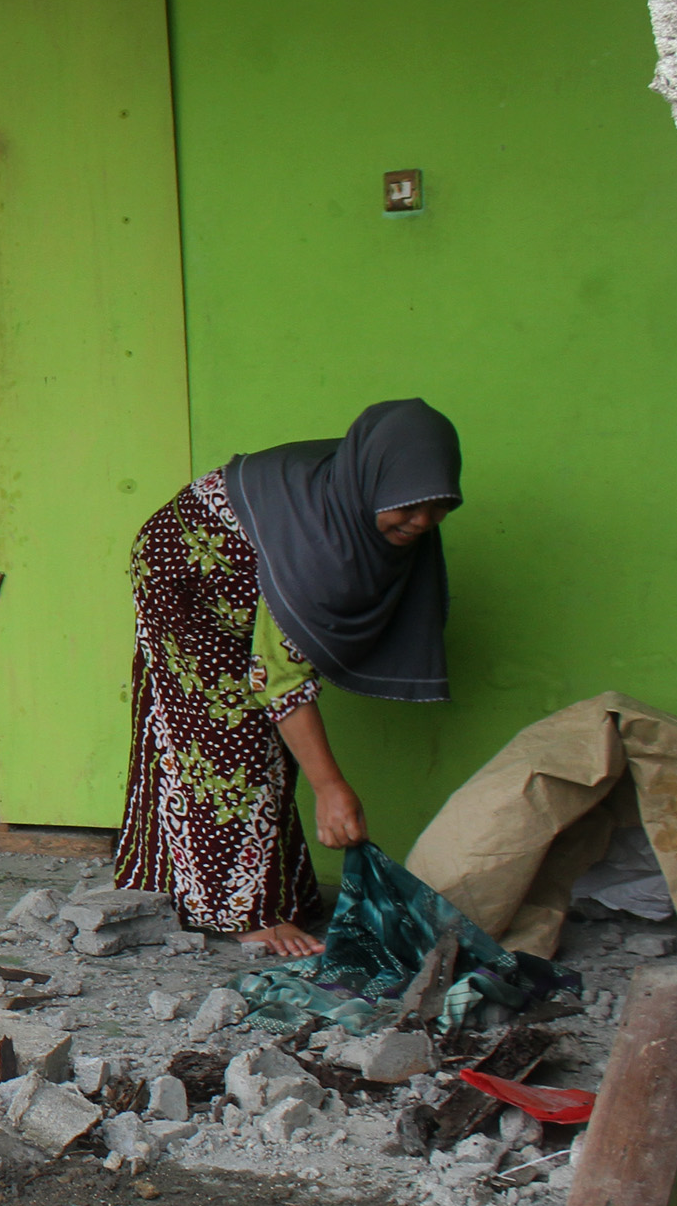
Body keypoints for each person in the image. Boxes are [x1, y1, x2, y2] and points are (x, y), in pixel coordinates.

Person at [114, 399, 461, 956]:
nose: (420, 521)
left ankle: (194, 886)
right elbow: (279, 679)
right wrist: (332, 787)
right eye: (409, 506)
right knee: (229, 736)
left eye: (438, 506)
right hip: (182, 570)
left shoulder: (362, 508)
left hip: (240, 571)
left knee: (245, 737)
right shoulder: (321, 540)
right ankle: (243, 912)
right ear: (374, 482)